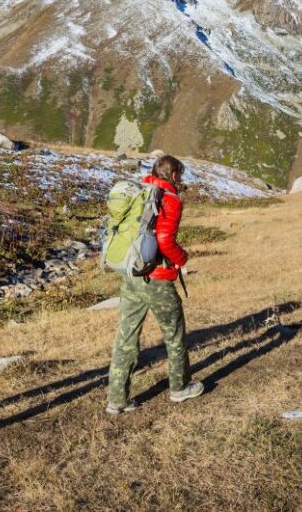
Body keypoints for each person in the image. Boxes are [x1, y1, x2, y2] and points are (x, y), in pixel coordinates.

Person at [106, 154, 204, 414]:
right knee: (174, 334)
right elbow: (164, 240)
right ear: (174, 175)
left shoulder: (141, 191)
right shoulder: (170, 199)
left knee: (126, 336)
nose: (181, 181)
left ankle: (117, 399)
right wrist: (182, 258)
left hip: (132, 274)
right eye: (180, 176)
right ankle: (180, 387)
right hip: (157, 279)